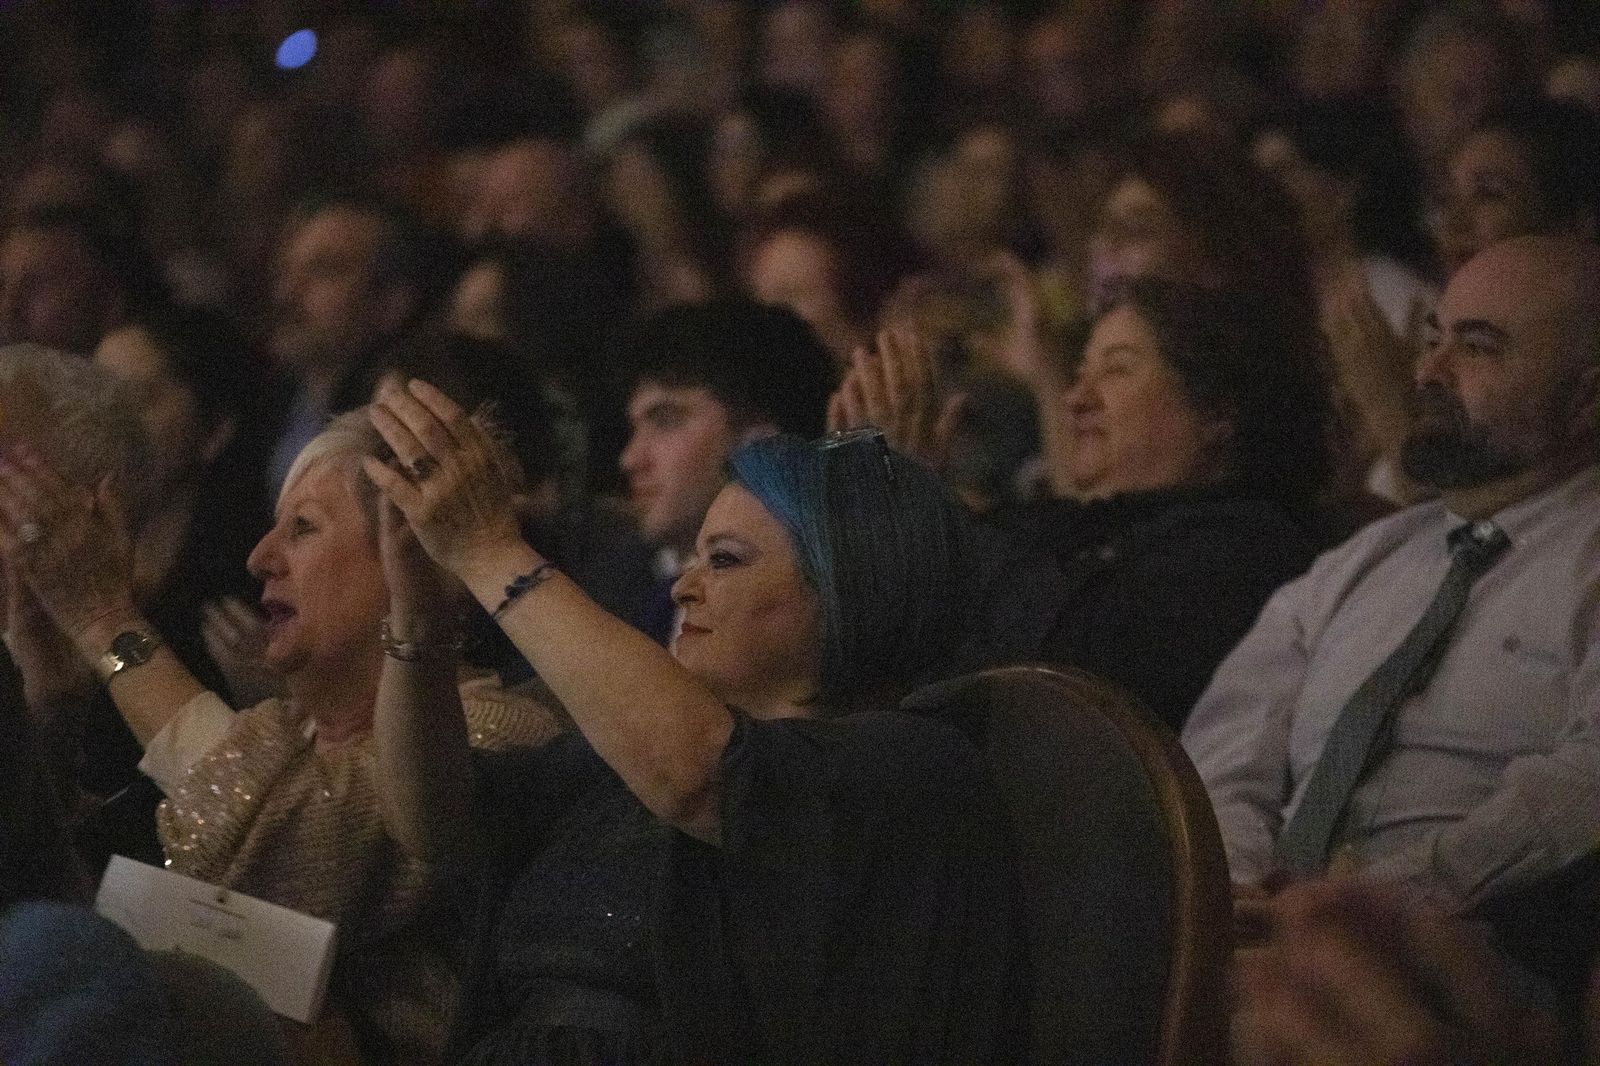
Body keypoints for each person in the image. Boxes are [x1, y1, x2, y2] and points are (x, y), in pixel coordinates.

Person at [365, 379, 1026, 1062]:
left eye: (726, 560)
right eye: (693, 559)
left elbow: (701, 776)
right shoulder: (626, 757)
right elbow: (430, 821)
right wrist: (418, 618)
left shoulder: (910, 764)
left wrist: (488, 550)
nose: (684, 588)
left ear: (848, 585)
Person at [0, 408, 558, 1064]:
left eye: (303, 528)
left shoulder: (499, 731)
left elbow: (287, 839)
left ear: (414, 555)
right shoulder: (285, 730)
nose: (260, 558)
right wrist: (55, 709)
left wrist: (104, 623)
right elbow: (80, 885)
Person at [1182, 235, 1600, 994]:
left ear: (1585, 400)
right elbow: (1227, 754)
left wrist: (1372, 904)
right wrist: (1234, 891)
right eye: (1434, 338)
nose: (1428, 372)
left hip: (1467, 964)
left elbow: (1584, 785)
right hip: (1254, 947)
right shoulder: (1359, 563)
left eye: (1478, 346)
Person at [835, 273, 1328, 729]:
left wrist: (907, 505)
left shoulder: (1243, 552)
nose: (1077, 399)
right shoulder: (1073, 525)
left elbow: (1060, 678)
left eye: (1116, 370)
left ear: (1217, 411)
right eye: (1079, 374)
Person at [615, 297, 837, 644]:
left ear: (759, 436)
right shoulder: (622, 587)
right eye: (634, 428)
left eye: (666, 420)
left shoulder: (819, 604)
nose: (629, 459)